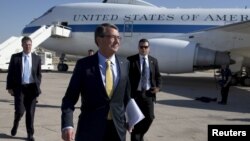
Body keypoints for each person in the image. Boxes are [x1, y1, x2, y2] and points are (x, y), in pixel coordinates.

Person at [61, 23, 131, 141]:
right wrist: (67, 124)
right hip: (90, 130)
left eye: (119, 38)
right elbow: (69, 98)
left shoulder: (125, 64)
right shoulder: (84, 65)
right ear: (99, 39)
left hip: (117, 130)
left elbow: (126, 96)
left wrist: (132, 118)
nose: (117, 41)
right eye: (113, 37)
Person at [6, 36, 42, 141]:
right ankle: (16, 123)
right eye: (26, 44)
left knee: (30, 112)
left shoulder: (37, 58)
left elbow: (39, 74)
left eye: (30, 44)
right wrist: (9, 87)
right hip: (19, 88)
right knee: (20, 111)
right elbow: (10, 73)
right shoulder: (15, 57)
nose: (28, 46)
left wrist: (38, 85)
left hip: (32, 88)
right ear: (22, 45)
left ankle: (30, 134)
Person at [127, 38, 161, 141]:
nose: (143, 49)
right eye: (141, 47)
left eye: (145, 47)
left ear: (149, 48)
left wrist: (158, 88)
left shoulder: (153, 61)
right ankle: (137, 138)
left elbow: (158, 76)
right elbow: (126, 78)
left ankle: (138, 136)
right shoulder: (131, 60)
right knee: (136, 119)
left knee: (150, 117)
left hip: (148, 94)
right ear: (138, 48)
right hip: (135, 95)